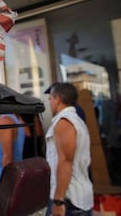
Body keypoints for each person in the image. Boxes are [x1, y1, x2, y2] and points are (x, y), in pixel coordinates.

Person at [44, 82, 93, 216]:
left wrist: (58, 201)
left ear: (58, 99)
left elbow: (66, 161)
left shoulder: (64, 122)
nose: (50, 103)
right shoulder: (76, 120)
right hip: (75, 197)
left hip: (69, 199)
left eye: (51, 99)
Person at [0, 114, 25, 190]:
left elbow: (8, 155)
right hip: (9, 176)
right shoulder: (14, 118)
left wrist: (5, 183)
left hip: (7, 179)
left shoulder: (5, 121)